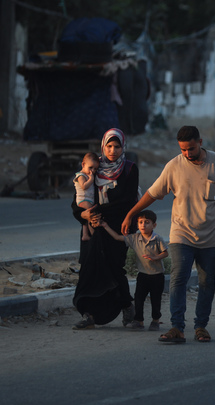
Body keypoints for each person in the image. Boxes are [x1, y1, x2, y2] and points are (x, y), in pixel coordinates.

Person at [121, 125, 215, 343]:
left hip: (212, 235)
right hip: (182, 234)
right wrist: (131, 214)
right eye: (183, 150)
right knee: (178, 278)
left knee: (207, 281)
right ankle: (177, 327)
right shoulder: (173, 166)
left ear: (200, 141)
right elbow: (152, 193)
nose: (187, 154)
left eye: (191, 148)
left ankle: (201, 326)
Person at [71, 128, 139, 330]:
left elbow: (128, 201)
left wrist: (97, 212)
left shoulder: (129, 169)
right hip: (93, 227)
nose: (113, 150)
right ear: (103, 146)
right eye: (109, 146)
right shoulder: (94, 167)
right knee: (89, 269)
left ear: (123, 147)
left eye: (117, 146)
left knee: (114, 268)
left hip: (117, 228)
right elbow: (78, 199)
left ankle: (127, 306)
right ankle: (88, 314)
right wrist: (84, 215)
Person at [100, 210, 168, 331]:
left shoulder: (157, 239)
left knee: (156, 299)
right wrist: (105, 226)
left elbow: (165, 253)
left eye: (147, 222)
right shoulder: (135, 238)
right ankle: (139, 321)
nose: (143, 225)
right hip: (142, 275)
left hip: (157, 276)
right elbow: (117, 237)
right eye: (140, 222)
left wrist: (155, 257)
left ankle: (155, 321)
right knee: (139, 298)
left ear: (154, 225)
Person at [73, 152, 100, 241]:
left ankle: (85, 235)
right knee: (91, 215)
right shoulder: (81, 175)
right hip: (83, 200)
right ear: (83, 165)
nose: (92, 171)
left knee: (85, 219)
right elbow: (84, 186)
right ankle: (93, 234)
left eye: (95, 169)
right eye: (90, 167)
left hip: (88, 199)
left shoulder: (88, 174)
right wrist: (91, 179)